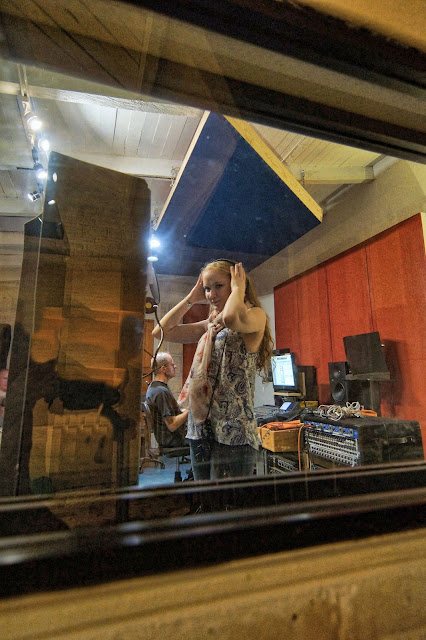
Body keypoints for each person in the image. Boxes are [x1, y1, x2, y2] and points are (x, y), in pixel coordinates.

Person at [152, 260, 274, 480]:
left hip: (234, 431)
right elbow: (160, 332)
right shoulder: (210, 325)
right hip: (201, 428)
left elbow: (231, 317)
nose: (211, 294)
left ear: (236, 283)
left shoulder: (255, 315)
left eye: (219, 286)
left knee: (228, 499)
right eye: (207, 288)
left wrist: (238, 289)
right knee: (204, 495)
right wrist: (192, 297)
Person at [145, 352, 188, 448]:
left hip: (169, 439)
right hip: (173, 441)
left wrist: (185, 411)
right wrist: (190, 411)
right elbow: (172, 425)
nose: (175, 367)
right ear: (163, 369)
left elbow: (172, 414)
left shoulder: (155, 387)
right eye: (172, 364)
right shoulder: (161, 392)